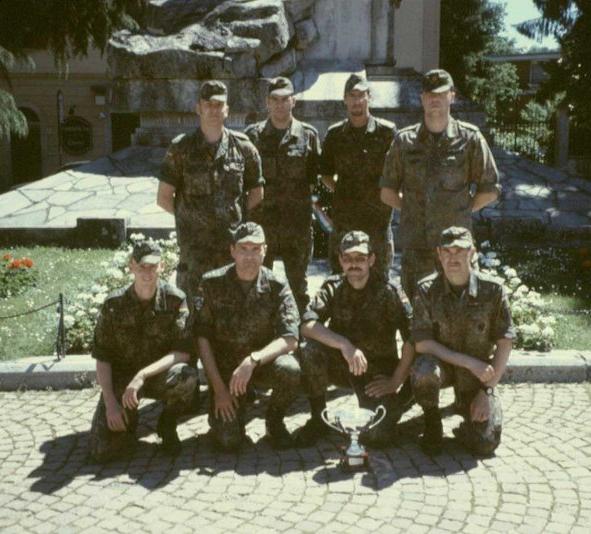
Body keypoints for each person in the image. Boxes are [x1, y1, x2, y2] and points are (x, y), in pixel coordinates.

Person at [380, 69, 501, 300]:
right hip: (417, 249)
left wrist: (460, 209)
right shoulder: (404, 141)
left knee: (463, 307)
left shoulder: (470, 138)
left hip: (457, 249)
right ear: (422, 98)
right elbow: (387, 192)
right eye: (430, 94)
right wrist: (412, 208)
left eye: (441, 94)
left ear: (452, 96)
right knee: (418, 311)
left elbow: (490, 189)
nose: (435, 99)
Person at [295, 231, 414, 447]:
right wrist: (345, 345)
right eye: (348, 258)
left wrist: (395, 380)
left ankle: (397, 405)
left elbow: (412, 339)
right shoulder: (333, 287)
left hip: (376, 373)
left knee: (376, 437)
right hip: (343, 365)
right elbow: (307, 325)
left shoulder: (389, 291)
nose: (354, 264)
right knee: (308, 350)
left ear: (371, 260)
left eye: (360, 258)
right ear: (340, 260)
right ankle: (318, 417)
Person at [191, 222, 301, 451]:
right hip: (226, 371)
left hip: (260, 364)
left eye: (256, 249)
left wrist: (252, 360)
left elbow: (290, 338)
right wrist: (219, 389)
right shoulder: (211, 283)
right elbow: (202, 338)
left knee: (290, 369)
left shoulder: (277, 285)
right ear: (232, 250)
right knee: (228, 442)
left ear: (265, 251)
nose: (249, 256)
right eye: (243, 249)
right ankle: (225, 417)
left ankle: (274, 421)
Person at [89, 241, 198, 462]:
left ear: (162, 266)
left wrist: (142, 375)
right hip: (124, 381)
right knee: (102, 452)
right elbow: (103, 357)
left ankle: (167, 423)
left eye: (153, 266)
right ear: (132, 266)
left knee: (186, 376)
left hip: (159, 375)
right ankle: (129, 421)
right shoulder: (114, 305)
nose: (147, 272)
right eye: (142, 266)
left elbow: (183, 353)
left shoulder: (175, 299)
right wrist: (110, 403)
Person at [410, 226, 514, 456]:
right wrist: (468, 362)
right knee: (424, 370)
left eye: (460, 251)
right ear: (439, 254)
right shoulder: (427, 289)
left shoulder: (492, 290)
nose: (453, 257)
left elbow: (505, 344)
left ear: (472, 253)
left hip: (478, 376)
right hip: (444, 367)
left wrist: (486, 391)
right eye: (447, 251)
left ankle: (466, 420)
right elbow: (422, 343)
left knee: (486, 444)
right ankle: (432, 421)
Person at [157, 80, 265, 300]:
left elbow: (257, 193)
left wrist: (234, 218)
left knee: (231, 306)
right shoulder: (181, 148)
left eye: (219, 105)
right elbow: (164, 197)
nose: (214, 110)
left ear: (227, 109)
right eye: (209, 104)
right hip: (194, 252)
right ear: (199, 108)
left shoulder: (243, 147)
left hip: (231, 249)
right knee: (192, 309)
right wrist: (191, 218)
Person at [244, 77, 321, 313]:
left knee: (299, 289)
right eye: (275, 99)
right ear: (267, 102)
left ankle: (300, 332)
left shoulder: (308, 135)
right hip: (262, 227)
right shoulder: (252, 136)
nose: (280, 104)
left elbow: (314, 181)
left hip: (296, 228)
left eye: (285, 99)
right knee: (258, 286)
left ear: (293, 101)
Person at [319, 73, 396, 278]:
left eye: (361, 95)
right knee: (341, 278)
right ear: (345, 99)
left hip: (377, 222)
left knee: (379, 280)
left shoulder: (387, 133)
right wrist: (344, 191)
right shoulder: (335, 135)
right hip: (345, 222)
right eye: (352, 96)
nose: (356, 101)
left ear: (369, 97)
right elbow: (325, 174)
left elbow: (397, 174)